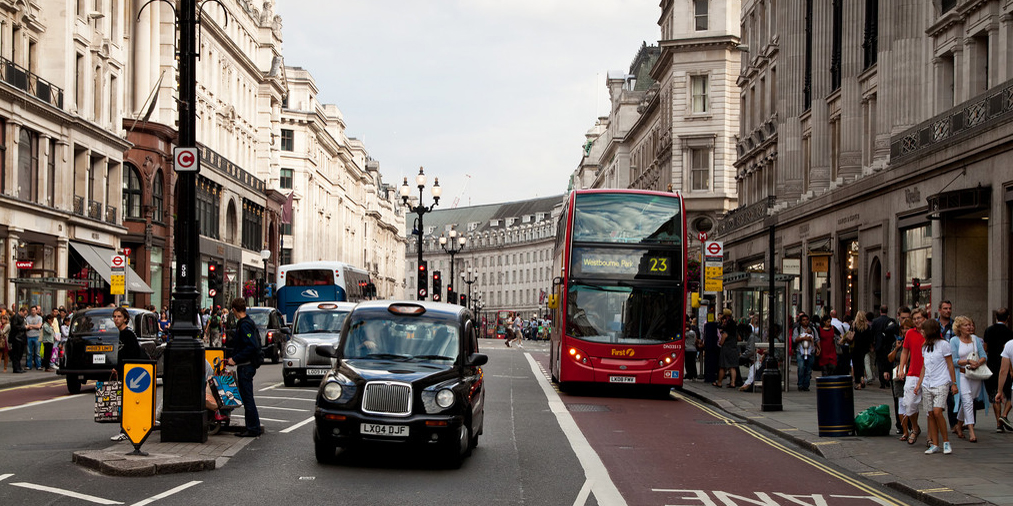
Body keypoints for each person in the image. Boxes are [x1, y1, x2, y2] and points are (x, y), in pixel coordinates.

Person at [915, 319, 957, 455]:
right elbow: (924, 367)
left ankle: (946, 442)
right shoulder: (924, 347)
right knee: (931, 414)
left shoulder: (944, 345)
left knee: (938, 411)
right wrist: (919, 384)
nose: (921, 332)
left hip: (941, 382)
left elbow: (950, 365)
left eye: (923, 329)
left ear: (930, 331)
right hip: (927, 383)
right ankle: (935, 444)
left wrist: (954, 383)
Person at [228, 297, 263, 437]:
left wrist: (235, 359)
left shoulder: (244, 325)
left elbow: (251, 345)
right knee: (247, 397)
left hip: (245, 366)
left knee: (247, 397)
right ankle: (253, 426)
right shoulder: (248, 322)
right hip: (247, 365)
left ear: (235, 310)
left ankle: (253, 428)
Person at [949, 316, 987, 443]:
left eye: (970, 325)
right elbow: (953, 361)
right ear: (959, 327)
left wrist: (978, 363)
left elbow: (984, 356)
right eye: (966, 325)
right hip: (962, 375)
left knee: (969, 400)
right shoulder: (954, 341)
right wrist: (967, 361)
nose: (970, 327)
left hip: (975, 375)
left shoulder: (975, 339)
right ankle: (971, 431)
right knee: (967, 401)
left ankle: (959, 425)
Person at [110, 306, 145, 441]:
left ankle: (126, 430)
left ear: (125, 318)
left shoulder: (128, 334)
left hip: (130, 373)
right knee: (127, 402)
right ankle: (127, 429)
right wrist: (117, 368)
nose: (116, 319)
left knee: (127, 403)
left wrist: (123, 368)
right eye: (115, 316)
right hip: (125, 371)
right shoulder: (122, 333)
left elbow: (132, 354)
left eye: (119, 317)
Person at [898, 308, 928, 446]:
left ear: (925, 319)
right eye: (915, 318)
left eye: (919, 318)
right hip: (913, 373)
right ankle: (915, 427)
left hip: (929, 374)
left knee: (930, 408)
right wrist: (901, 368)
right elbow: (905, 351)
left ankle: (931, 437)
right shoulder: (910, 333)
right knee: (909, 404)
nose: (916, 321)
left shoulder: (931, 332)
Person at [984, 307, 1013, 432]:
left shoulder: (988, 330)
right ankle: (1004, 415)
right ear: (1008, 318)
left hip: (991, 365)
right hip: (1006, 365)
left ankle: (998, 424)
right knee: (1010, 395)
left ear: (996, 317)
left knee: (995, 393)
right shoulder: (1009, 333)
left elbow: (985, 347)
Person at [872, 305, 900, 388]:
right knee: (889, 362)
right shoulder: (890, 321)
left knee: (880, 363)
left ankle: (882, 381)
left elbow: (872, 333)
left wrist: (873, 344)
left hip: (879, 345)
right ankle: (888, 379)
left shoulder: (875, 321)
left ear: (880, 311)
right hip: (888, 345)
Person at [793, 313, 818, 391]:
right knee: (801, 367)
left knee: (808, 369)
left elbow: (817, 339)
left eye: (807, 320)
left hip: (811, 351)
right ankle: (800, 384)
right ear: (800, 321)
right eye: (803, 320)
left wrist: (819, 348)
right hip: (800, 351)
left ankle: (806, 385)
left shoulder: (813, 329)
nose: (805, 322)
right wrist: (803, 338)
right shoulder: (797, 329)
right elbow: (795, 339)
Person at [852, 311, 873, 389]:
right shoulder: (867, 327)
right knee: (862, 364)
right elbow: (870, 338)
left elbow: (852, 335)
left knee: (856, 365)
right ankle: (862, 377)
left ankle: (858, 383)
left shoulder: (854, 325)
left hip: (856, 347)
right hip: (864, 348)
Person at [24, 305, 42, 370]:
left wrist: (31, 325)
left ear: (36, 311)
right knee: (29, 352)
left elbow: (39, 326)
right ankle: (29, 365)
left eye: (34, 310)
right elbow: (26, 327)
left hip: (37, 336)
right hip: (29, 336)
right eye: (32, 310)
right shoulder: (27, 318)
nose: (33, 312)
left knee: (37, 352)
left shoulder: (39, 318)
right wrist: (35, 326)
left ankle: (38, 365)